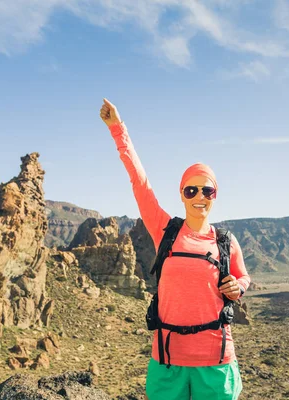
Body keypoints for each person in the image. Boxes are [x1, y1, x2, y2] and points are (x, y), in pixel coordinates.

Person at [100, 98, 251, 400]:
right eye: (190, 190)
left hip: (216, 360)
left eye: (206, 190)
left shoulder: (225, 241)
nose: (199, 196)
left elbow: (243, 278)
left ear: (215, 195)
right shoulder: (164, 229)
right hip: (168, 360)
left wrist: (238, 287)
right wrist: (118, 129)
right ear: (181, 194)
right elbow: (139, 182)